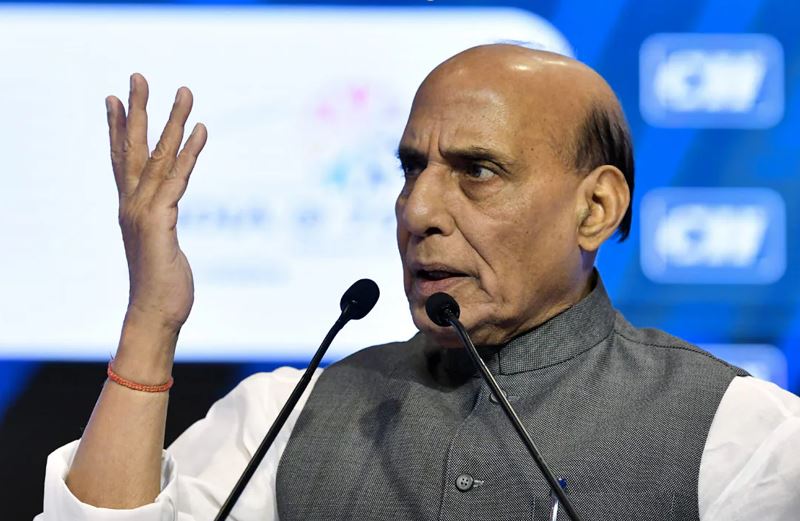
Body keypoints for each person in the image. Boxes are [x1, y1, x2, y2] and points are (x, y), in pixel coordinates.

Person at [37, 45, 799, 521]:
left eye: (478, 170)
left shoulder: (744, 437)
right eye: (411, 168)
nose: (418, 210)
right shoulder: (282, 417)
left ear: (594, 208)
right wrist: (150, 321)